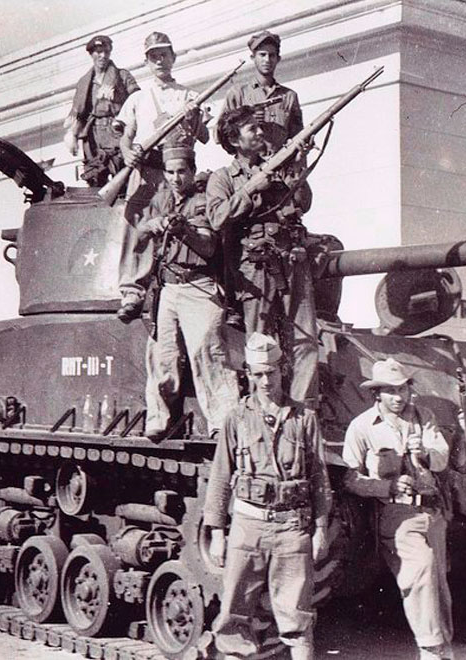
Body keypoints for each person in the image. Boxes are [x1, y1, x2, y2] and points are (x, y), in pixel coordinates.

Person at [203, 333, 331, 660]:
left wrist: (319, 530)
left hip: (292, 529)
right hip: (248, 525)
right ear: (248, 374)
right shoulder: (236, 418)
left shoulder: (304, 419)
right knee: (234, 616)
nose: (264, 380)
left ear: (282, 370)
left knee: (297, 619)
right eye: (257, 373)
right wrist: (217, 533)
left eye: (270, 372)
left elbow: (318, 479)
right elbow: (220, 476)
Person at [341, 358, 454, 660]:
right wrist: (385, 487)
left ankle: (442, 649)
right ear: (376, 393)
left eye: (402, 389)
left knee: (437, 586)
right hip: (396, 515)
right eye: (390, 391)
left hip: (433, 513)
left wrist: (425, 453)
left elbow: (442, 458)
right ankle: (431, 649)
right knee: (422, 568)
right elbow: (350, 479)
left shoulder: (424, 416)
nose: (398, 397)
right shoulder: (362, 427)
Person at [206, 106, 317, 405]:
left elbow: (303, 204)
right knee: (260, 344)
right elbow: (216, 218)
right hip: (255, 267)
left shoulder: (278, 165)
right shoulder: (223, 178)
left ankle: (303, 411)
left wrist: (299, 165)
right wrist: (251, 189)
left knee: (306, 340)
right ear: (234, 139)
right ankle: (264, 411)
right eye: (251, 129)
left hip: (291, 258)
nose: (259, 133)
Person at [136, 145, 239, 440]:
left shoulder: (204, 201)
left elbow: (207, 247)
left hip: (199, 285)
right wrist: (154, 224)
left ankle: (223, 423)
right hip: (168, 287)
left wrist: (185, 231)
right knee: (161, 355)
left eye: (182, 171)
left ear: (192, 171)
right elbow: (139, 233)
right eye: (170, 172)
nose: (176, 178)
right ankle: (158, 419)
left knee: (207, 352)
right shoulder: (161, 200)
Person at [114, 31, 210, 322]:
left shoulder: (189, 95)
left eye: (164, 54)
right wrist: (127, 152)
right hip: (146, 169)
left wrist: (193, 118)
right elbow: (125, 136)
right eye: (153, 56)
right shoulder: (137, 99)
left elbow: (205, 136)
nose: (159, 60)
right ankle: (132, 291)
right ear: (147, 61)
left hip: (178, 171)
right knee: (136, 228)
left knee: (182, 224)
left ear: (173, 57)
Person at [63, 35, 139, 187]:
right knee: (95, 177)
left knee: (123, 174)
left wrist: (117, 97)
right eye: (98, 52)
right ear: (91, 54)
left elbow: (138, 99)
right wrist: (72, 134)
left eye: (106, 51)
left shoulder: (122, 76)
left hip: (117, 130)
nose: (103, 56)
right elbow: (80, 113)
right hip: (94, 135)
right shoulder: (84, 83)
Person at [222, 30, 303, 154]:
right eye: (262, 54)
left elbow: (298, 137)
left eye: (272, 55)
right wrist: (247, 120)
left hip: (281, 165)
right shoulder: (237, 94)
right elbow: (220, 135)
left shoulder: (289, 96)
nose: (267, 60)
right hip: (249, 168)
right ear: (253, 58)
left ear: (278, 59)